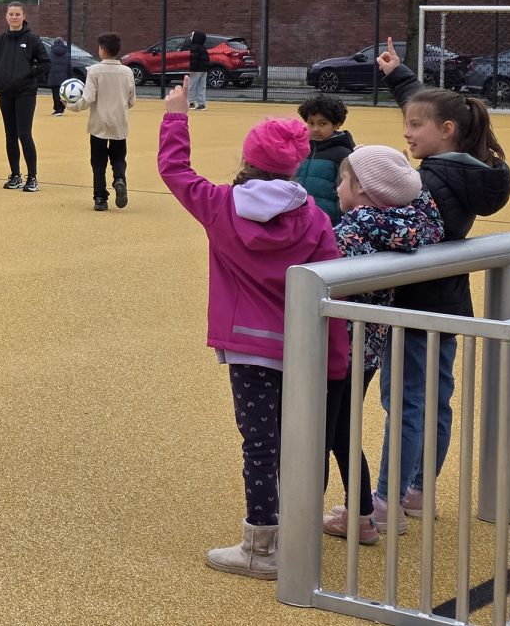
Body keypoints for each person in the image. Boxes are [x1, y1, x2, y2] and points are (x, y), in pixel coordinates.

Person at [157, 77, 348, 579]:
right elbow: (332, 283)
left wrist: (177, 114)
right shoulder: (313, 217)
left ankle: (261, 545)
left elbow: (174, 170)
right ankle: (298, 531)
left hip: (249, 349)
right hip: (302, 345)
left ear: (249, 159)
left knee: (259, 443)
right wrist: (336, 354)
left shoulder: (220, 204)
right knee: (302, 440)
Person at [373, 37, 510, 521]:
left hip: (415, 302)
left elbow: (400, 231)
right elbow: (434, 113)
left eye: (414, 127)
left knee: (407, 402)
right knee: (433, 397)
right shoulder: (466, 172)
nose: (407, 134)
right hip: (447, 302)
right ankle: (416, 491)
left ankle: (387, 499)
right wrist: (399, 76)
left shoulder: (427, 183)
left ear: (447, 130)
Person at [322, 146, 443, 545]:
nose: (337, 187)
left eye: (343, 180)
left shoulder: (354, 229)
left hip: (336, 346)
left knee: (323, 430)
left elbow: (319, 264)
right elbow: (430, 217)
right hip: (371, 349)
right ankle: (360, 515)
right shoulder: (411, 224)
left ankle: (307, 518)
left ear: (362, 188)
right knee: (342, 428)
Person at [0, 3, 51, 191]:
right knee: (10, 135)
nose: (14, 17)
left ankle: (32, 177)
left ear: (24, 16)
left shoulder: (32, 39)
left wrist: (28, 72)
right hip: (5, 92)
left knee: (25, 134)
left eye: (17, 14)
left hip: (25, 92)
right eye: (11, 14)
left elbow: (45, 63)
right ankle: (15, 175)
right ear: (6, 16)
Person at [73, 34, 137, 211]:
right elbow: (131, 101)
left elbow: (87, 98)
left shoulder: (94, 70)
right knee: (119, 158)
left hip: (99, 122)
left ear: (102, 50)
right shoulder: (127, 72)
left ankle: (100, 198)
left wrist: (72, 106)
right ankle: (119, 179)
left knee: (98, 162)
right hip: (119, 122)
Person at [296, 94, 355, 224]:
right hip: (296, 221)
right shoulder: (298, 150)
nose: (315, 129)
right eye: (311, 123)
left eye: (323, 123)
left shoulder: (343, 155)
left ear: (337, 124)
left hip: (328, 223)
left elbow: (349, 195)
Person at [45, 37, 72, 116]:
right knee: (63, 94)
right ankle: (62, 107)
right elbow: (69, 67)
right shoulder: (67, 55)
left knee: (55, 94)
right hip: (64, 78)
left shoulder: (50, 54)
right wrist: (70, 77)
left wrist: (46, 76)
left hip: (53, 77)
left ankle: (57, 109)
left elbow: (47, 66)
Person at [187, 31, 211, 110]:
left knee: (192, 85)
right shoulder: (203, 47)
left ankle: (191, 102)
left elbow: (194, 59)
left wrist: (192, 69)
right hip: (204, 70)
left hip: (197, 69)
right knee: (201, 86)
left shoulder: (194, 47)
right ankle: (201, 103)